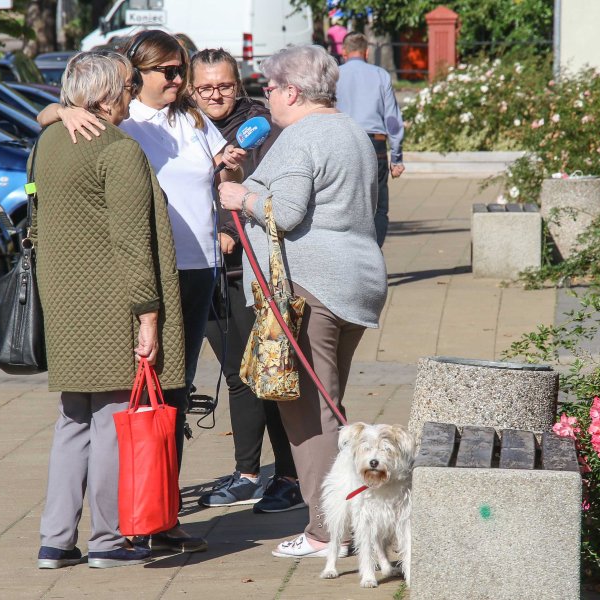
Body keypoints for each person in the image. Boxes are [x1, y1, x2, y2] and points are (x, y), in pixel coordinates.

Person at [37, 30, 245, 553]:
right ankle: (124, 531)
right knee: (131, 409)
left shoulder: (189, 118)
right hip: (142, 280)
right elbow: (131, 236)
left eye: (181, 70)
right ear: (128, 81)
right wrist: (62, 110)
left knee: (156, 402)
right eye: (165, 72)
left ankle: (130, 520)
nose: (179, 80)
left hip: (193, 267)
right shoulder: (121, 135)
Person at [218, 44, 387, 558]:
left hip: (311, 288)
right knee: (327, 405)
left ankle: (327, 530)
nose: (265, 96)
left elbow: (286, 213)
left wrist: (240, 197)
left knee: (310, 416)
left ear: (292, 91)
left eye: (269, 88)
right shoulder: (351, 131)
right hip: (355, 281)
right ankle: (350, 518)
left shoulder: (300, 137)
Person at [32, 51, 185, 569]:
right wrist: (149, 316)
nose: (130, 96)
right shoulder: (118, 150)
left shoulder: (49, 141)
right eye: (125, 88)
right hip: (111, 305)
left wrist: (58, 111)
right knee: (113, 424)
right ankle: (110, 539)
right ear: (103, 96)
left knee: (72, 419)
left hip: (63, 304)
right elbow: (133, 243)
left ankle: (55, 541)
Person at [188, 48, 304, 513]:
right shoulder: (185, 125)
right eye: (205, 88)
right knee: (237, 375)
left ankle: (291, 476)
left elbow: (274, 194)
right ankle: (248, 473)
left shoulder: (261, 127)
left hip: (249, 270)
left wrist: (230, 229)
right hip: (200, 268)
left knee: (269, 374)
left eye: (224, 86)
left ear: (239, 85)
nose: (215, 95)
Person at [336, 31, 405, 247]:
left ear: (344, 52)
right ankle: (374, 251)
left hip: (343, 142)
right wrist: (396, 157)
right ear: (366, 52)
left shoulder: (334, 75)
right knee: (378, 207)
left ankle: (351, 253)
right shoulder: (380, 75)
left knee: (345, 202)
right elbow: (392, 120)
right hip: (375, 144)